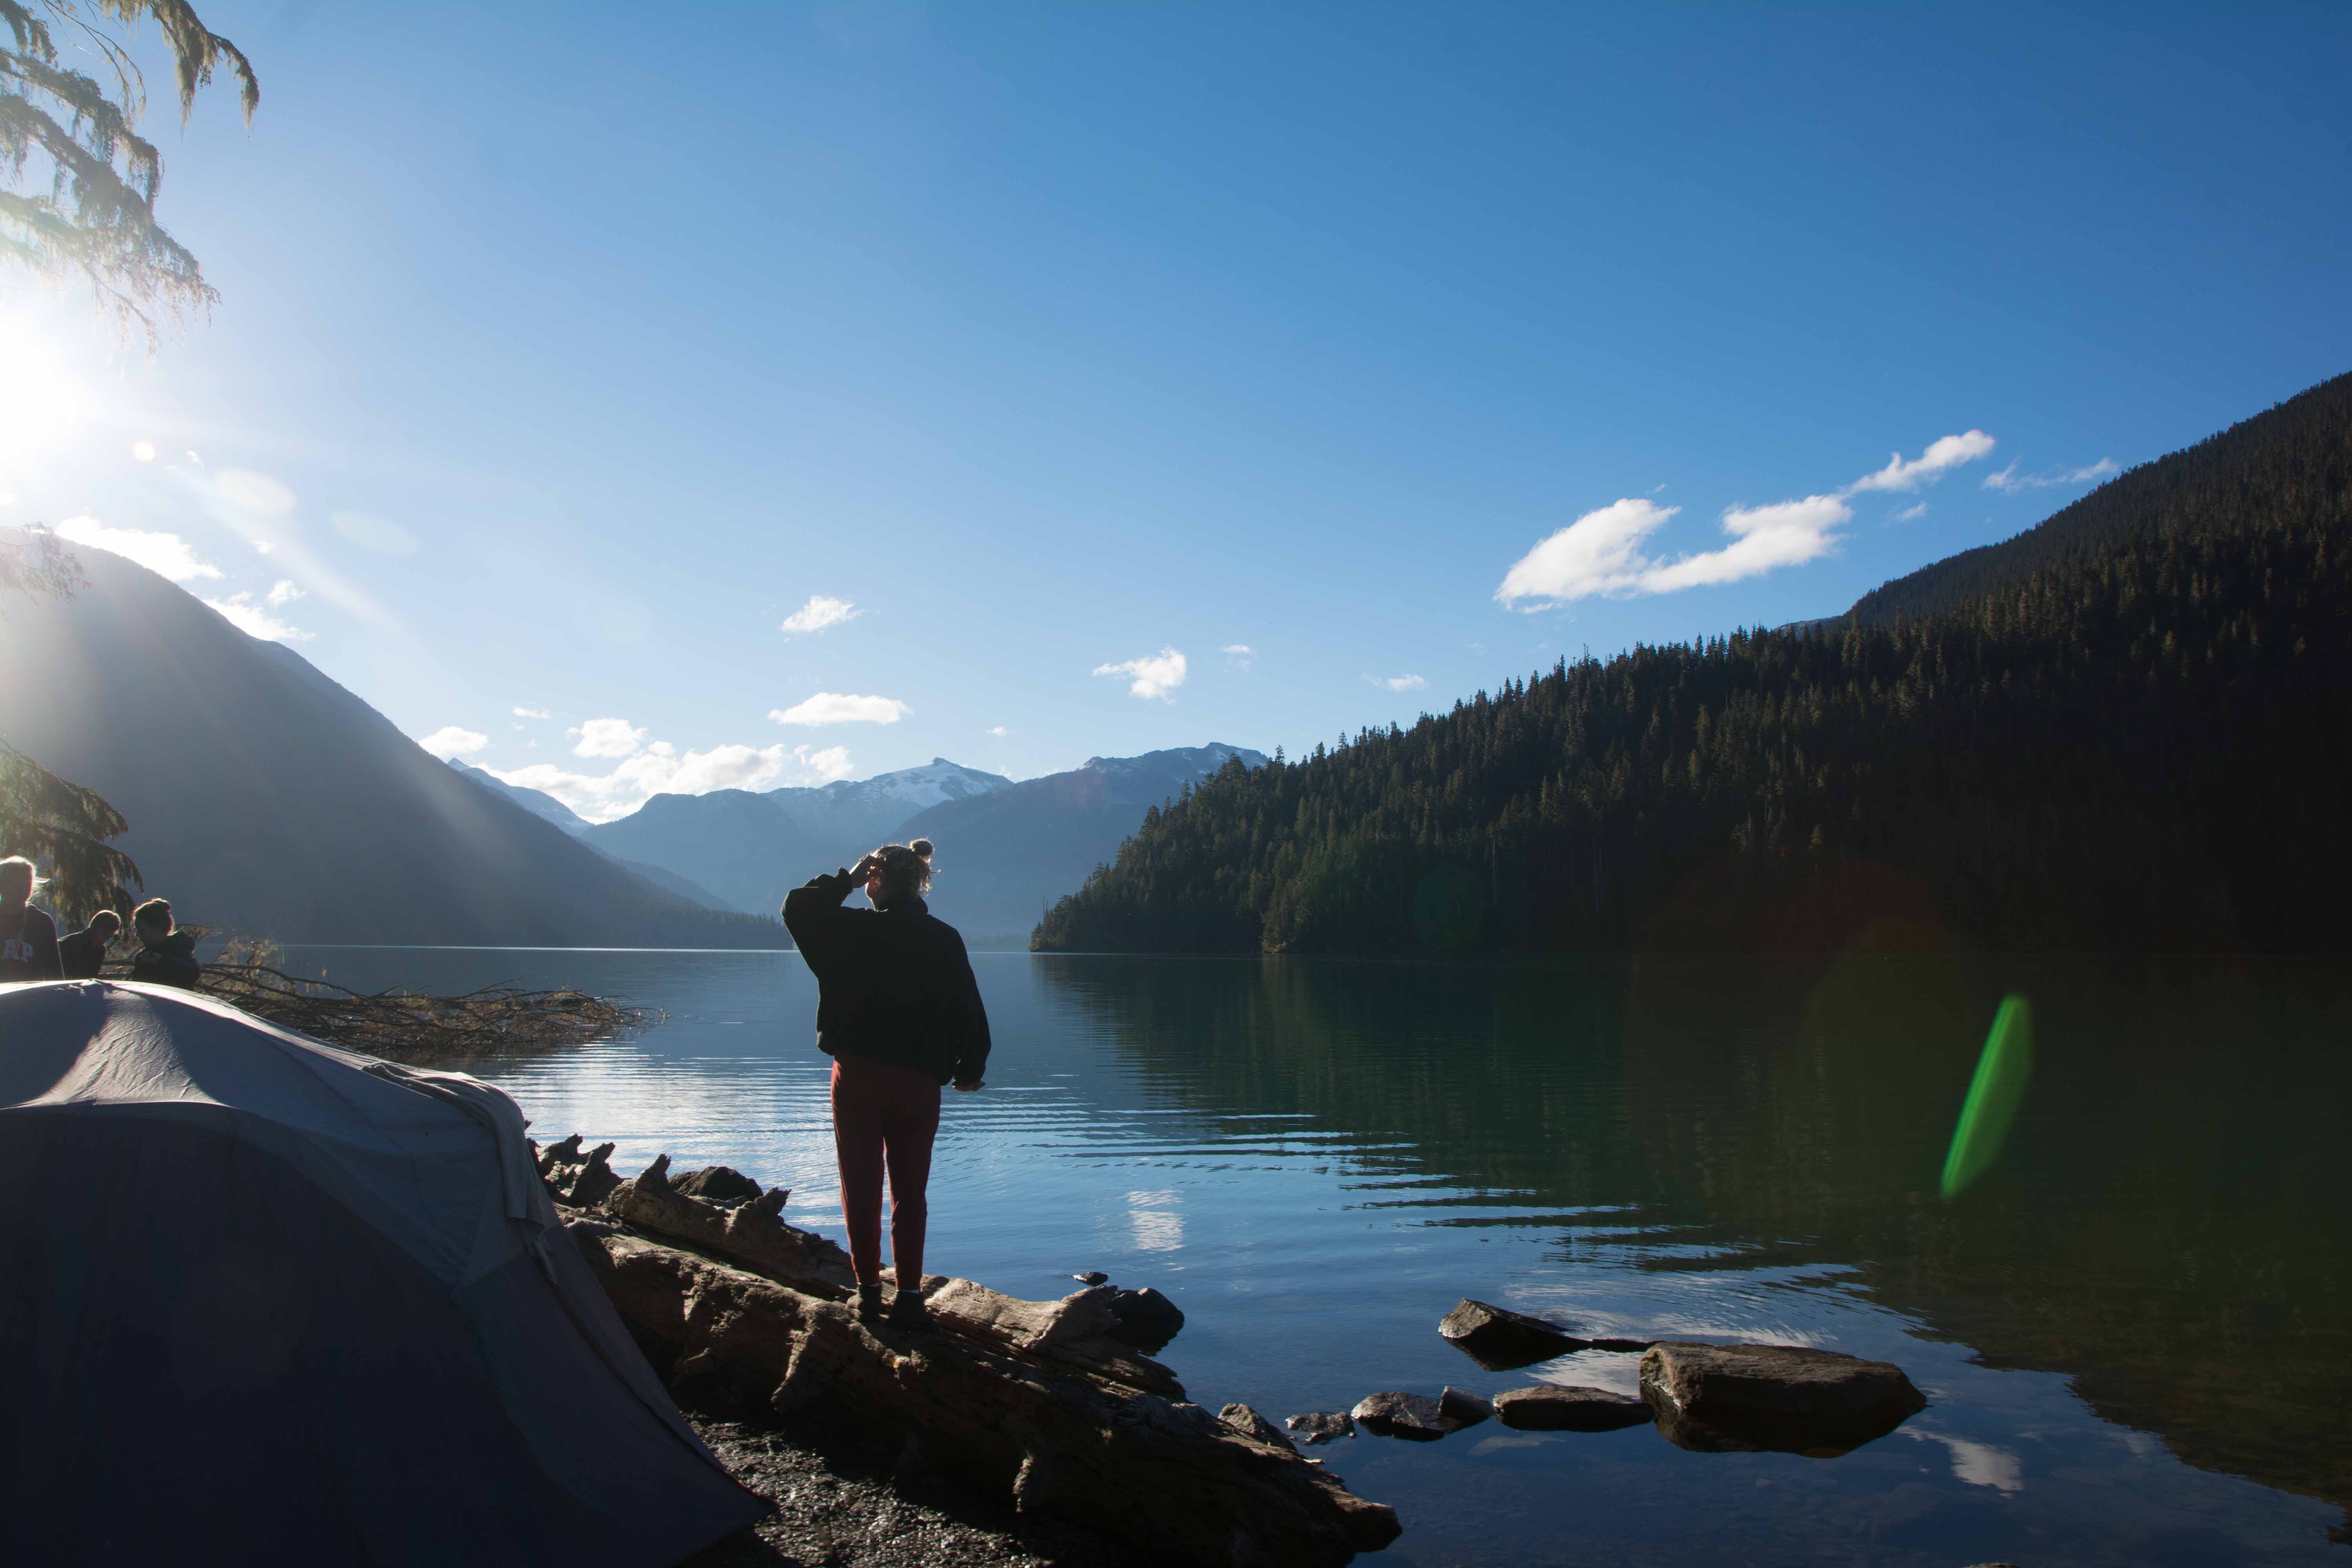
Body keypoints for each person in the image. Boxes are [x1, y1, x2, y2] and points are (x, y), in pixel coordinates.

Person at [782, 838, 989, 1327]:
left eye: (869, 880)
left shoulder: (849, 929)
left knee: (860, 1185)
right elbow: (969, 1008)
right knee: (910, 1193)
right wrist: (970, 1071)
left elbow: (797, 907)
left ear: (875, 881)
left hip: (857, 1077)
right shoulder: (944, 938)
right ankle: (911, 1297)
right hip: (919, 1084)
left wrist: (846, 880)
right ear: (920, 883)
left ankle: (869, 1292)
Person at [0, 856, 63, 982]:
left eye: (27, 884)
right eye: (17, 885)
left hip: (31, 995)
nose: (23, 890)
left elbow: (55, 975)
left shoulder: (41, 922)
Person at [128, 898, 201, 989]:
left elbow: (192, 975)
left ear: (158, 928)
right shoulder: (144, 956)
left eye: (141, 930)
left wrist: (163, 961)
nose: (137, 935)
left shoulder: (178, 948)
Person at [57, 908, 121, 980]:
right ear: (93, 928)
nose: (105, 939)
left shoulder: (100, 951)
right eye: (103, 934)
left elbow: (91, 979)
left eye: (109, 937)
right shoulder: (65, 945)